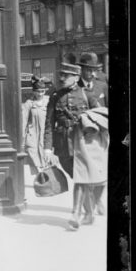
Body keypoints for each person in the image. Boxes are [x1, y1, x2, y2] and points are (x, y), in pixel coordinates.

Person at [45, 62, 90, 226]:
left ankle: (76, 214)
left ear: (76, 77)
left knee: (80, 178)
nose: (61, 78)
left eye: (66, 75)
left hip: (82, 144)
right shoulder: (55, 96)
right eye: (61, 74)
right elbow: (49, 124)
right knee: (78, 178)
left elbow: (100, 118)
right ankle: (89, 212)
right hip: (63, 146)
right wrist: (47, 149)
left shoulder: (87, 94)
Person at [76, 52, 108, 214]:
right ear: (81, 70)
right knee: (86, 171)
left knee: (103, 171)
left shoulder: (102, 85)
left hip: (102, 134)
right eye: (88, 70)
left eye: (94, 70)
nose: (91, 73)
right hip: (84, 135)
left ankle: (97, 199)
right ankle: (89, 207)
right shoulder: (75, 87)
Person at [68, 106, 109, 229]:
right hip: (77, 138)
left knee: (99, 179)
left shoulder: (99, 87)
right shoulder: (61, 92)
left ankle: (90, 210)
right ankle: (78, 214)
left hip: (97, 138)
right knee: (81, 177)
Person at [20, 76, 51, 175]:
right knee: (34, 158)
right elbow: (23, 121)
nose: (40, 94)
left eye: (42, 91)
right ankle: (39, 178)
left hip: (45, 135)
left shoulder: (49, 101)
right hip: (32, 135)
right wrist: (22, 138)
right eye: (38, 91)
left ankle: (45, 180)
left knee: (46, 159)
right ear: (33, 91)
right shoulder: (29, 103)